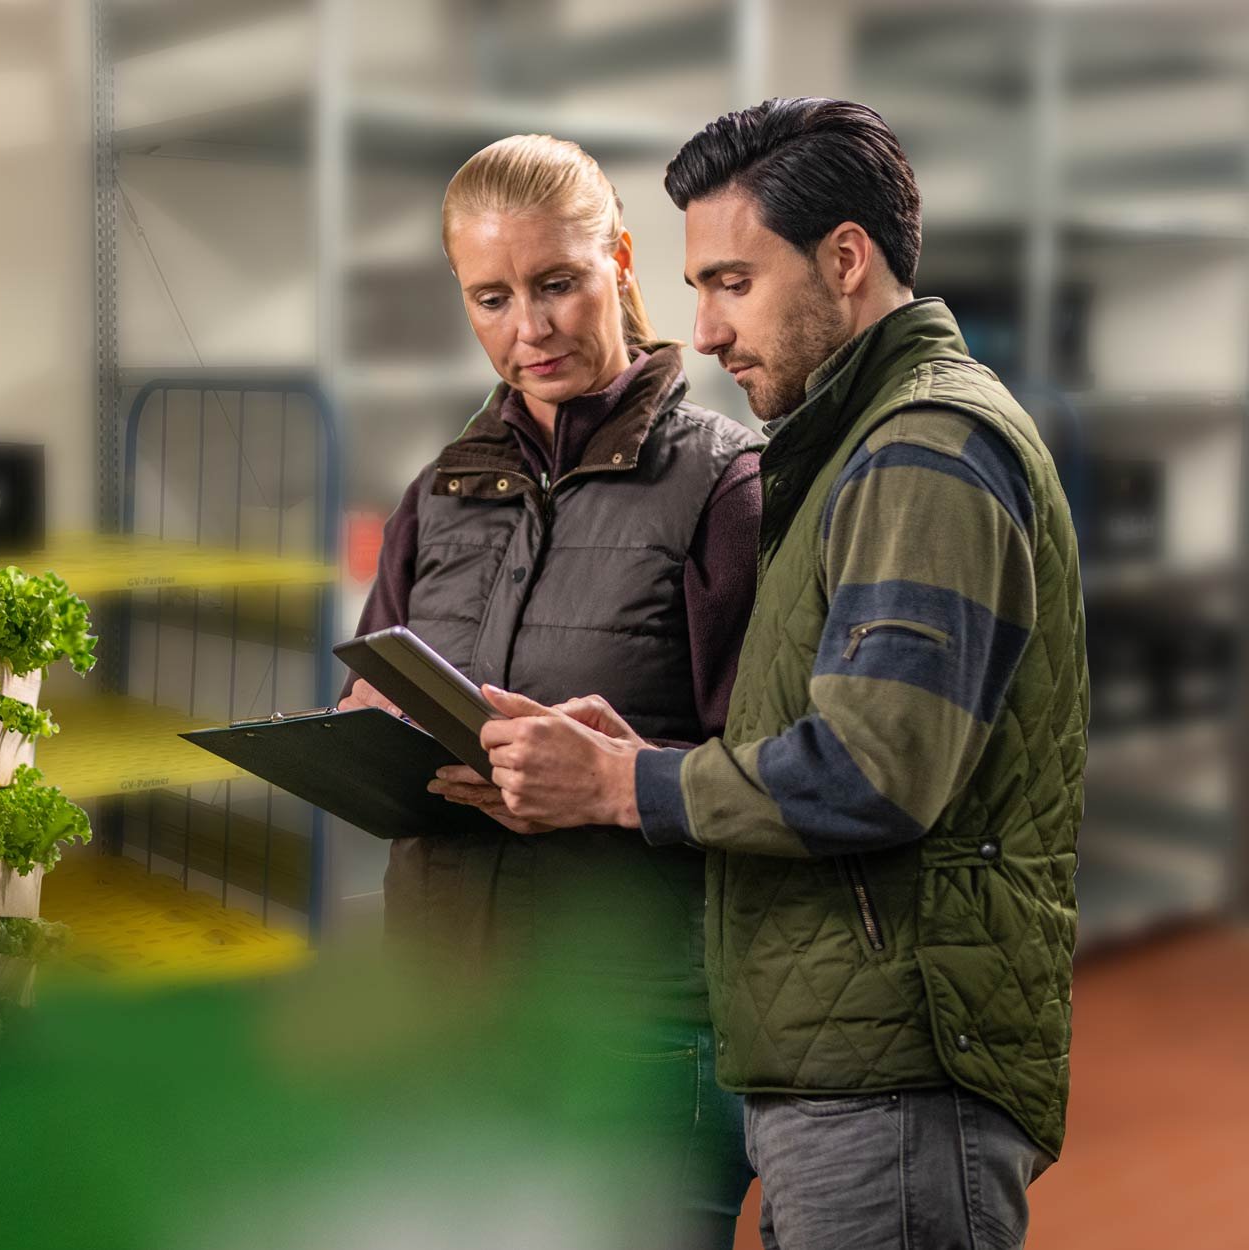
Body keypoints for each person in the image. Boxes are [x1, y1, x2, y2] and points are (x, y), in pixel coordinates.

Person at [434, 99, 1088, 1249]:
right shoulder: (851, 449)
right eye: (697, 288)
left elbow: (874, 769)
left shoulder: (923, 448)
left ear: (843, 259)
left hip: (889, 1068)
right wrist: (641, 760)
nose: (705, 328)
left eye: (732, 282)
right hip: (834, 1057)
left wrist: (616, 787)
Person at [340, 133, 763, 1247]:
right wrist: (363, 741)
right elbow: (376, 674)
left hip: (633, 1018)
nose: (526, 328)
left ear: (619, 259)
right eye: (490, 296)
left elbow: (778, 773)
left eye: (556, 283)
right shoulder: (436, 494)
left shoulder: (724, 484)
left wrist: (615, 781)